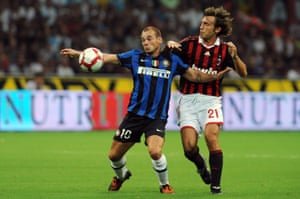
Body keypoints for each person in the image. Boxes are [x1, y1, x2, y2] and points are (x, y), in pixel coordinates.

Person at [60, 26, 230, 194]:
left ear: (159, 39)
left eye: (149, 38)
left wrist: (215, 76)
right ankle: (121, 176)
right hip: (134, 116)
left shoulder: (171, 61)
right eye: (143, 40)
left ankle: (165, 185)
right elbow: (106, 57)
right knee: (113, 156)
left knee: (155, 151)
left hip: (156, 117)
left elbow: (195, 76)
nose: (145, 43)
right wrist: (79, 54)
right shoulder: (135, 57)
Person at [167, 7, 248, 194]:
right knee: (189, 148)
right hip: (187, 100)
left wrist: (235, 57)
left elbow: (243, 73)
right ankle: (201, 165)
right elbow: (168, 58)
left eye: (206, 24)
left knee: (212, 137)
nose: (201, 26)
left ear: (217, 29)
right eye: (202, 23)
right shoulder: (188, 44)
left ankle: (216, 186)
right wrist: (169, 46)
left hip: (211, 101)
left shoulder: (225, 49)